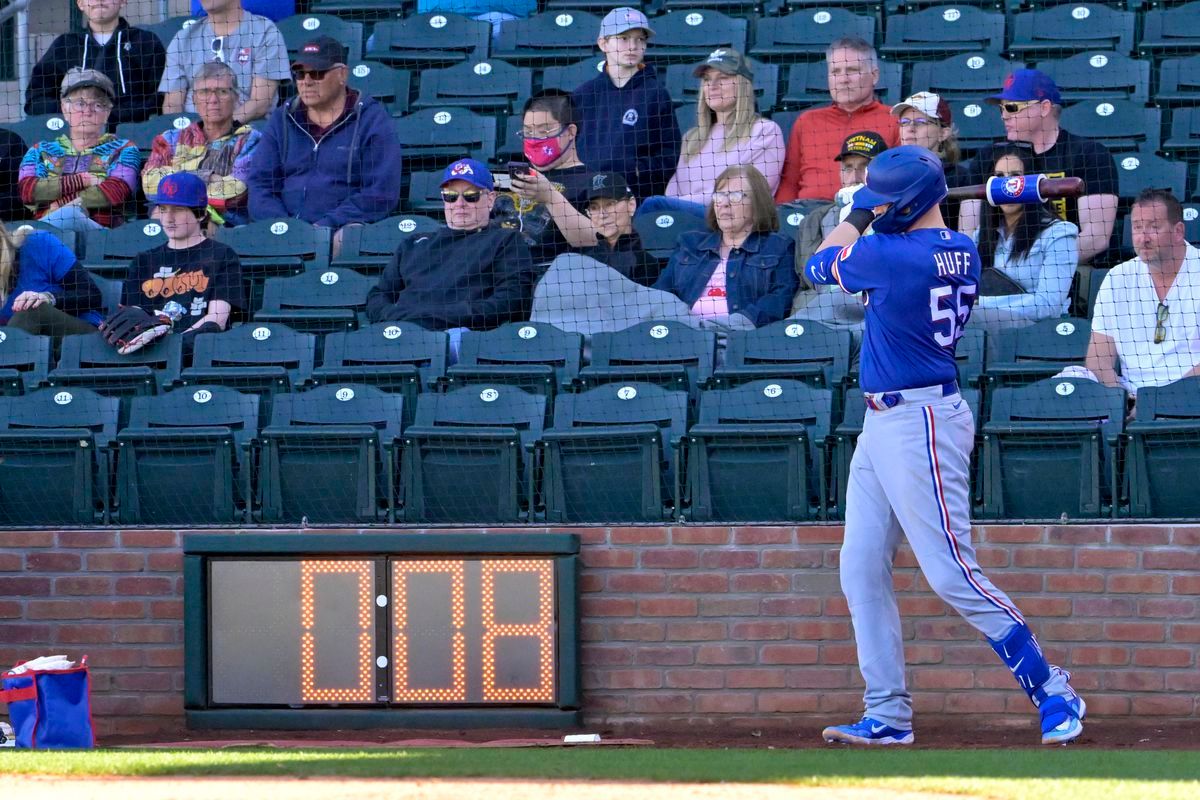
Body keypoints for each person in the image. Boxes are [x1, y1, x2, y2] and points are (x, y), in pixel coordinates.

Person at [802, 145, 1085, 747]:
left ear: (902, 205)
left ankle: (1052, 687)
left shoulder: (887, 252)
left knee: (952, 573)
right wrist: (884, 205)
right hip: (886, 423)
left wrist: (857, 211)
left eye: (885, 202)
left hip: (920, 422)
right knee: (860, 569)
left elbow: (819, 267)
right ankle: (888, 714)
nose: (877, 211)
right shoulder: (959, 249)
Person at [246, 37, 402, 257]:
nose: (306, 81)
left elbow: (380, 192)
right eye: (300, 73)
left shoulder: (372, 119)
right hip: (283, 227)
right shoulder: (283, 117)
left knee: (346, 239)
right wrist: (284, 226)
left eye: (317, 73)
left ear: (342, 74)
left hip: (340, 228)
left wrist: (326, 226)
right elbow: (260, 182)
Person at [960, 69, 1118, 271]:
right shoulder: (987, 158)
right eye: (1001, 109)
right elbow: (967, 232)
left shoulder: (1090, 155)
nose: (1004, 116)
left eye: (1011, 107)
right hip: (995, 272)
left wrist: (1033, 264)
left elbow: (1096, 237)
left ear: (1044, 108)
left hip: (1067, 272)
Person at [365, 158, 536, 337]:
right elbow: (378, 295)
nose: (459, 204)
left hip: (462, 336)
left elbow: (511, 300)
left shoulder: (505, 240)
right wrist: (396, 318)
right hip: (402, 332)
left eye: (471, 196)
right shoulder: (413, 244)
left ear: (490, 199)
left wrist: (436, 317)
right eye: (450, 196)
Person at [100, 172, 243, 356]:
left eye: (178, 209)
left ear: (200, 214)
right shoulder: (144, 260)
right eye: (163, 208)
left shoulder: (222, 255)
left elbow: (217, 320)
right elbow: (133, 315)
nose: (168, 218)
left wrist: (176, 346)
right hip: (147, 353)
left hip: (197, 353)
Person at [638, 48, 785, 224]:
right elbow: (673, 194)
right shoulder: (691, 139)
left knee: (652, 205)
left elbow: (753, 193)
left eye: (723, 78)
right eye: (707, 80)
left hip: (735, 221)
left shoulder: (764, 131)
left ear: (742, 85)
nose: (712, 86)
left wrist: (680, 204)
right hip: (688, 222)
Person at [1085, 189, 1200, 400]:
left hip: (1191, 395)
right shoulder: (1117, 278)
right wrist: (1119, 400)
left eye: (1154, 227)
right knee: (1070, 380)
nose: (1143, 238)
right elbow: (1098, 360)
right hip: (1128, 395)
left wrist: (1155, 403)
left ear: (1178, 231)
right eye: (1137, 227)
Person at [654, 165, 797, 328]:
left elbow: (778, 301)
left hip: (740, 340)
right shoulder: (690, 244)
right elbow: (661, 293)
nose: (724, 203)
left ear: (758, 203)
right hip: (685, 336)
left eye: (735, 196)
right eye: (719, 196)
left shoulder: (778, 247)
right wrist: (686, 325)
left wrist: (727, 326)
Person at [775, 37, 899, 203]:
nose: (843, 79)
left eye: (852, 70)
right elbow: (789, 182)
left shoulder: (895, 119)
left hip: (867, 213)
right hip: (809, 215)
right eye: (835, 72)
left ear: (874, 75)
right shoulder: (807, 121)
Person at [572, 8, 679, 199]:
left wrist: (636, 169)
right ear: (603, 43)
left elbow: (670, 154)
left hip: (635, 198)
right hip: (585, 198)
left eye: (640, 39)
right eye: (623, 38)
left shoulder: (656, 94)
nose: (633, 46)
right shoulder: (582, 95)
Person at [18, 69, 141, 234]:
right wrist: (83, 180)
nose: (88, 111)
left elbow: (115, 191)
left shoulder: (123, 148)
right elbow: (28, 191)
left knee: (67, 216)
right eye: (80, 103)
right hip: (48, 236)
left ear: (107, 112)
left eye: (98, 104)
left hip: (102, 237)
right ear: (64, 108)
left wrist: (59, 206)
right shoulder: (40, 150)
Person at [971, 148, 1078, 336]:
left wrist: (982, 304)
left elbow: (1048, 305)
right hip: (987, 332)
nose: (1008, 186)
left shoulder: (1059, 233)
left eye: (1016, 176)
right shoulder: (981, 236)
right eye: (1000, 177)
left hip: (1041, 334)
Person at [142, 62, 262, 227]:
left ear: (236, 98)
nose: (213, 100)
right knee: (159, 216)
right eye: (204, 92)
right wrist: (209, 177)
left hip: (226, 225)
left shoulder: (250, 140)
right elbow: (149, 184)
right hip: (170, 217)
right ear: (194, 99)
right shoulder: (170, 138)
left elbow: (236, 191)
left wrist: (175, 177)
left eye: (222, 92)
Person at [495, 90, 599, 265]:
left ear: (571, 131)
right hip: (494, 269)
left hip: (551, 276)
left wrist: (550, 196)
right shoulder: (505, 176)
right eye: (528, 132)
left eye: (544, 131)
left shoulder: (596, 182)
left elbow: (593, 239)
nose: (534, 139)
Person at [25, 0, 165, 126]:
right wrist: (77, 111)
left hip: (132, 133)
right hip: (74, 138)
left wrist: (112, 114)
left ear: (123, 1)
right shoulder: (65, 45)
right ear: (80, 3)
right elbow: (35, 100)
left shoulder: (146, 42)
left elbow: (161, 97)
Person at [159, 0, 290, 123]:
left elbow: (260, 103)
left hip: (245, 132)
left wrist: (217, 130)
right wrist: (189, 135)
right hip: (191, 138)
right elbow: (173, 104)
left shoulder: (265, 32)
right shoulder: (182, 39)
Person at [1, 226, 104, 337]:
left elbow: (93, 295)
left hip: (81, 336)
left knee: (32, 310)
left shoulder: (39, 243)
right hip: (27, 349)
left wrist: (49, 298)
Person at [891, 92, 966, 231]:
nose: (910, 129)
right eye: (904, 122)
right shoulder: (888, 175)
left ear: (943, 133)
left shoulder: (959, 176)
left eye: (920, 122)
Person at [577, 172, 662, 287]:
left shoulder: (646, 263)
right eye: (594, 207)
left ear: (631, 205)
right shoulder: (583, 261)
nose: (602, 215)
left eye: (610, 204)